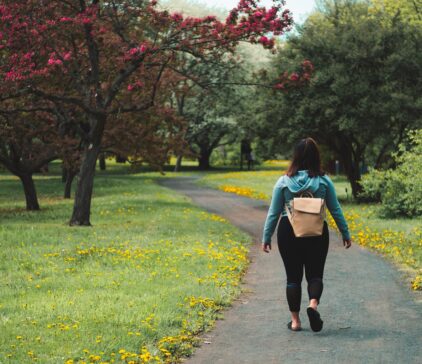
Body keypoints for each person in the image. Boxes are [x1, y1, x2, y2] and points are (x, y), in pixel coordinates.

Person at [262, 137, 352, 332]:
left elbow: (274, 212)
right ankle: (312, 306)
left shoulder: (284, 181)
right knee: (315, 275)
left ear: (295, 157)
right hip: (317, 231)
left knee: (292, 278)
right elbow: (335, 210)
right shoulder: (323, 181)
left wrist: (266, 236)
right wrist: (345, 233)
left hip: (289, 231)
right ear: (316, 156)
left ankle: (295, 322)